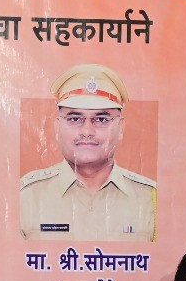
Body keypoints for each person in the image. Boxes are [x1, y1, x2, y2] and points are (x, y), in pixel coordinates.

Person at [19, 63, 156, 240]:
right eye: (75, 119)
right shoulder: (26, 197)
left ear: (121, 127)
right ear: (57, 127)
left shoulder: (150, 199)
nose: (87, 131)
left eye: (101, 119)